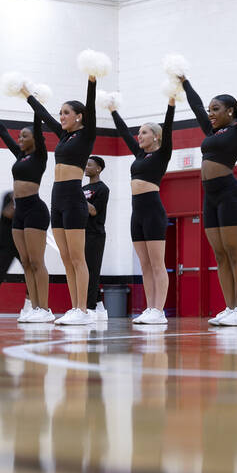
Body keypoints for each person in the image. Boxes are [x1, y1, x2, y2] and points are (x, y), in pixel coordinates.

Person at [181, 66, 237, 326]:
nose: (210, 114)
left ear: (230, 111)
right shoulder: (213, 131)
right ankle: (229, 308)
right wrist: (185, 81)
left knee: (234, 252)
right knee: (219, 255)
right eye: (210, 110)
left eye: (215, 109)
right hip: (210, 197)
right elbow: (195, 107)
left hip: (229, 193)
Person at [26, 76, 98, 326]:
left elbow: (91, 103)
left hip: (74, 199)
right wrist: (27, 95)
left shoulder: (86, 134)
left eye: (66, 113)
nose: (62, 116)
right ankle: (74, 307)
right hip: (56, 198)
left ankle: (83, 310)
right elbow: (44, 115)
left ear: (79, 116)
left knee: (78, 257)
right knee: (66, 258)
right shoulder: (64, 137)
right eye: (61, 113)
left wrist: (91, 81)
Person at [110, 98, 175, 325]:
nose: (140, 136)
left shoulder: (162, 153)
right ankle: (149, 308)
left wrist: (171, 104)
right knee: (144, 265)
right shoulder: (139, 155)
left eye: (145, 132)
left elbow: (169, 127)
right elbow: (123, 132)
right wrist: (113, 110)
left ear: (156, 136)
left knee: (157, 264)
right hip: (136, 212)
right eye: (140, 132)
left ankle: (159, 310)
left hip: (153, 211)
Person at [0, 107, 54, 323]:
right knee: (26, 262)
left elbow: (37, 127)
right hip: (20, 213)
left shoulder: (40, 155)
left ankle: (44, 308)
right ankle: (34, 308)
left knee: (37, 262)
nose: (20, 138)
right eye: (20, 136)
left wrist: (35, 106)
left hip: (35, 210)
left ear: (36, 140)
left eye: (24, 136)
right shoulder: (20, 156)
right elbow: (4, 134)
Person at [83, 156, 109, 318]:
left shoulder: (102, 189)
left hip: (95, 234)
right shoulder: (83, 187)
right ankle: (100, 307)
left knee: (92, 271)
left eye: (89, 165)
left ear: (98, 168)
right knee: (83, 270)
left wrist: (76, 196)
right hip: (81, 233)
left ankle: (91, 308)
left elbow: (93, 211)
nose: (86, 167)